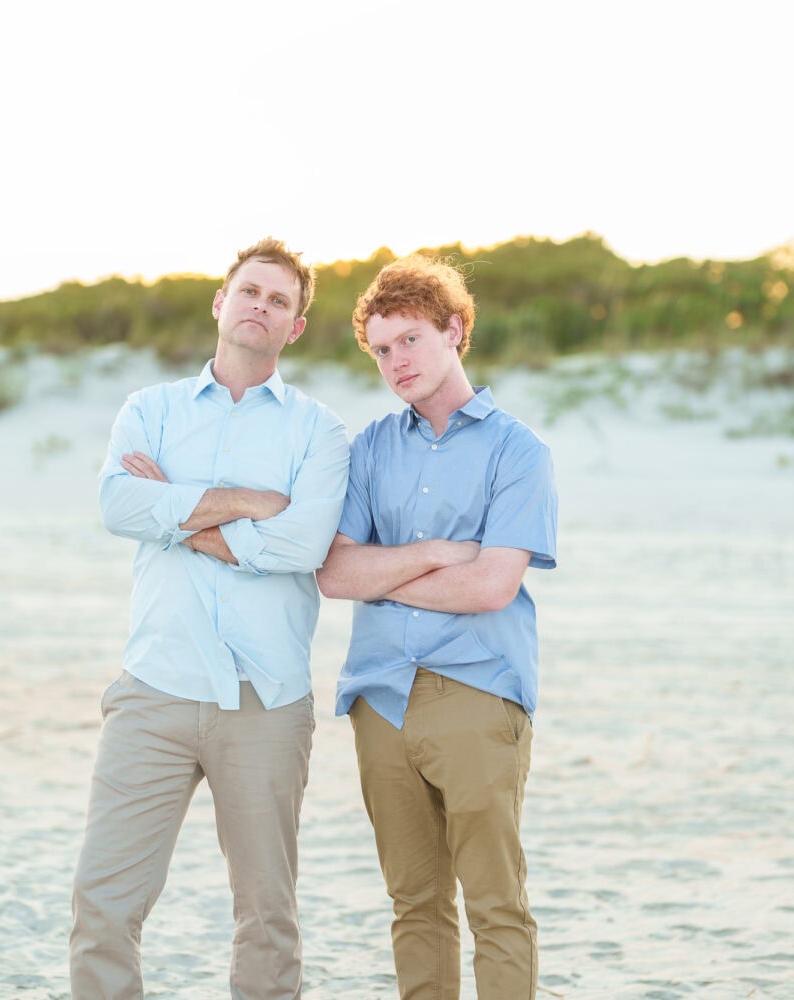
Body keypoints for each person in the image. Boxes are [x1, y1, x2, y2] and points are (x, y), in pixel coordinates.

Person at [70, 237, 350, 1000]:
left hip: (266, 701)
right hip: (154, 691)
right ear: (220, 302)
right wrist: (248, 502)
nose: (261, 305)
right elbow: (116, 504)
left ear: (295, 327)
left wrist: (178, 512)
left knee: (266, 914)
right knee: (103, 902)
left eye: (280, 300)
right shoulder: (148, 409)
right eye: (250, 291)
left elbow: (302, 541)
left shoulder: (317, 431)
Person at [316, 255, 558, 999]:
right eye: (382, 350)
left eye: (411, 340)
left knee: (496, 906)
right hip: (379, 700)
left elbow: (492, 586)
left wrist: (387, 573)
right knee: (414, 905)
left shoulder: (518, 451)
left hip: (478, 693)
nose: (396, 363)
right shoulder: (370, 450)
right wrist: (427, 555)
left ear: (455, 330)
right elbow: (333, 575)